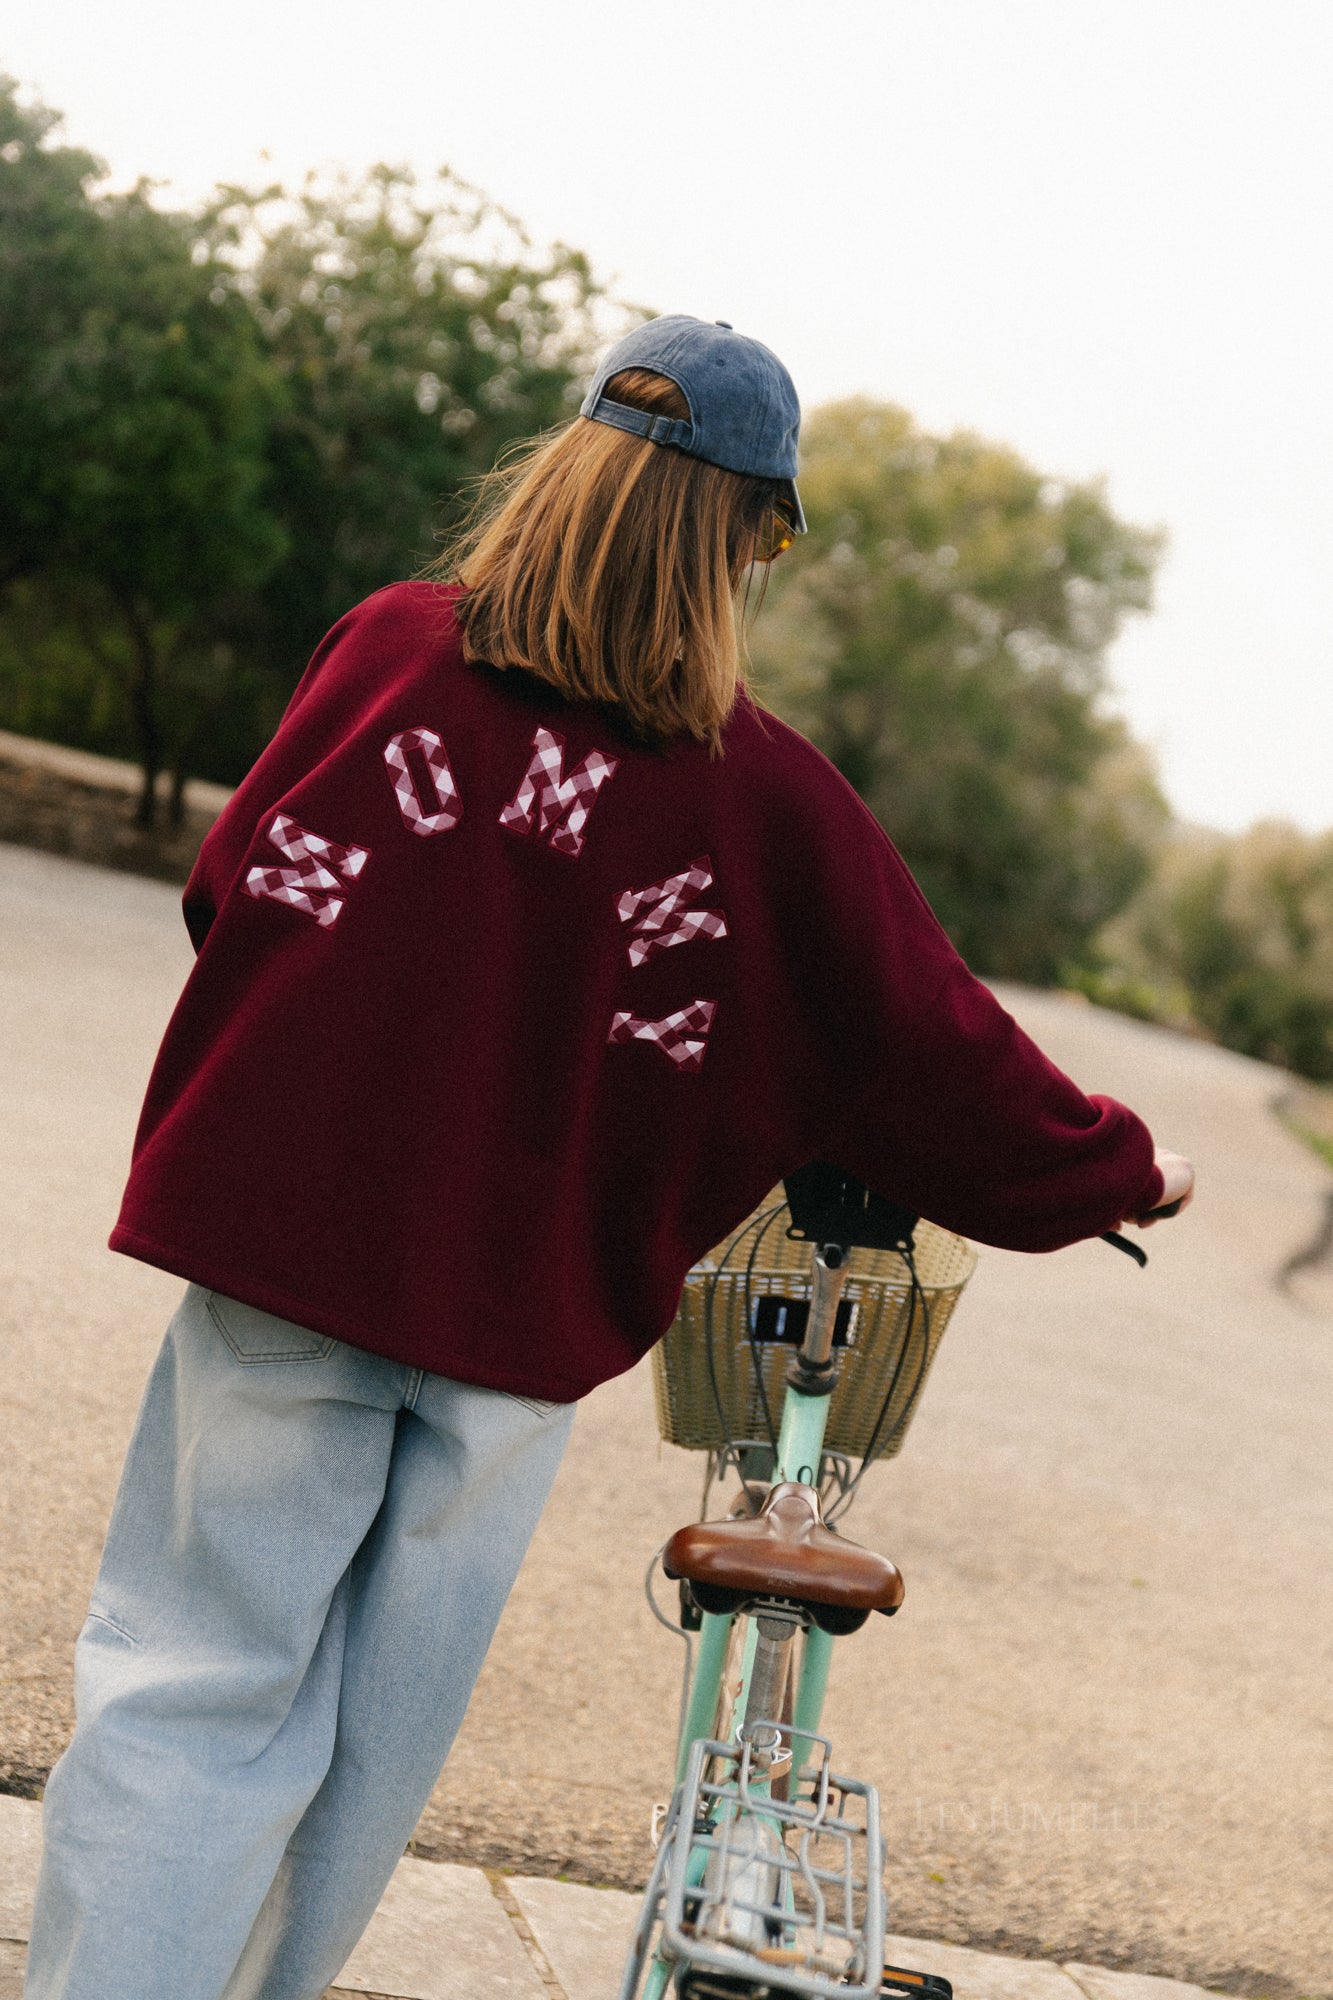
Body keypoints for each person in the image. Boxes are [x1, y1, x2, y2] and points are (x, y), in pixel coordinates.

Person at [24, 314, 1193, 2000]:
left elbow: (236, 885)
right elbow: (932, 1047)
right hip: (510, 1328)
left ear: (564, 469)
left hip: (286, 1266)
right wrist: (1113, 1171)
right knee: (369, 1747)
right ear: (748, 539)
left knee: (190, 1681)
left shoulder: (388, 651)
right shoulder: (764, 799)